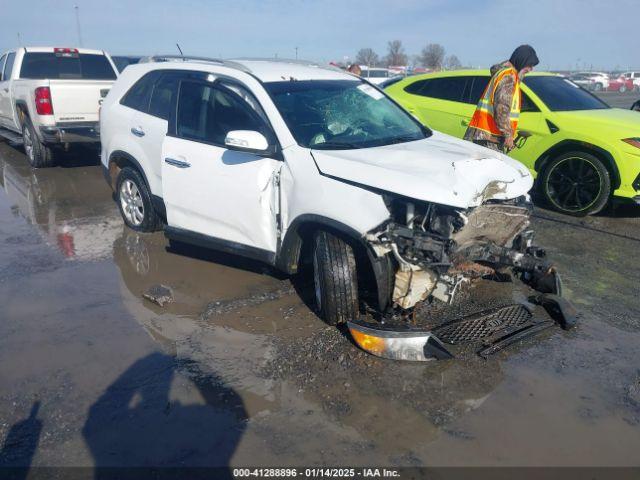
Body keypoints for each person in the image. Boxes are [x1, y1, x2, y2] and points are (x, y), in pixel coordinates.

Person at [464, 45, 539, 153]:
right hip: (488, 139)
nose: (531, 69)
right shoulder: (509, 77)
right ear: (522, 61)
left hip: (484, 137)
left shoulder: (504, 73)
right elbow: (501, 109)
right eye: (530, 65)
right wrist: (508, 135)